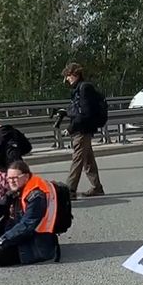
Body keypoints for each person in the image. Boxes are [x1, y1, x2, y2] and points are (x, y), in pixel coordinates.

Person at [59, 62, 106, 199]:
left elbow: (85, 113)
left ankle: (70, 190)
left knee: (77, 159)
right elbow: (78, 109)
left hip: (83, 130)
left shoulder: (84, 88)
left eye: (68, 76)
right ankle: (97, 187)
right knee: (88, 159)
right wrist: (66, 113)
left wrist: (70, 128)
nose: (67, 79)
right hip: (82, 129)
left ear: (76, 74)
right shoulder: (79, 89)